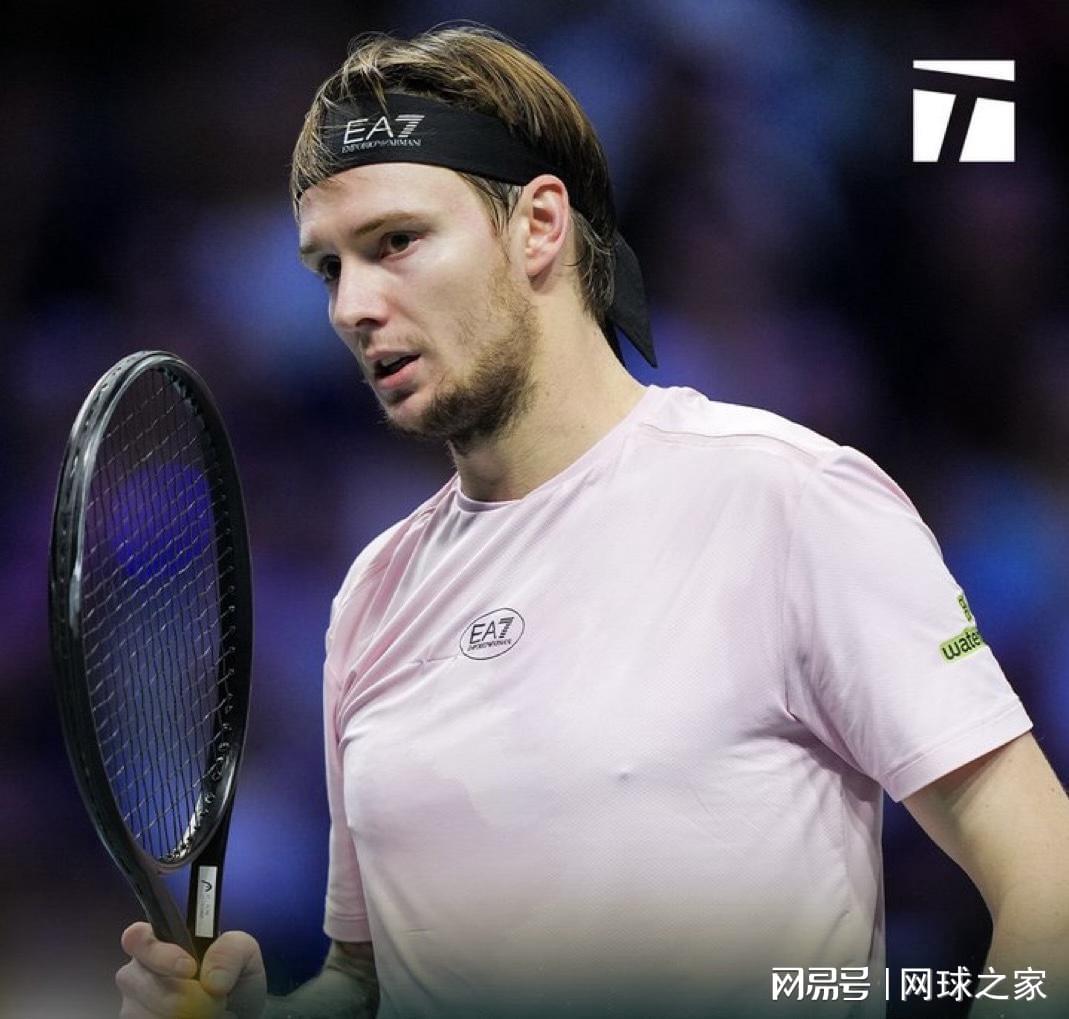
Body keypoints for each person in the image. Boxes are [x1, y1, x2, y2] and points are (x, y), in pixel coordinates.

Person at [116, 24, 1069, 1019]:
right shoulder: (374, 591)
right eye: (329, 267)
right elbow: (366, 978)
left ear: (538, 226)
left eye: (396, 242)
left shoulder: (792, 500)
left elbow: (1044, 883)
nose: (352, 305)